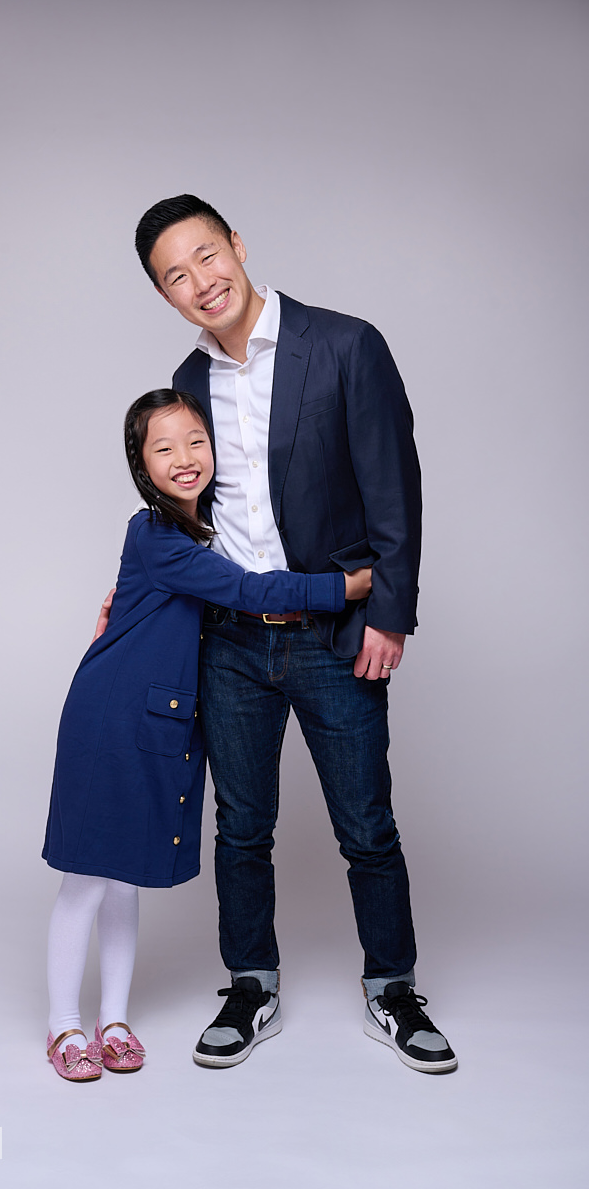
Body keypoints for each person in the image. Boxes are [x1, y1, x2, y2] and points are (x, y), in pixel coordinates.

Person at [123, 194, 458, 1074]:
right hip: (230, 642)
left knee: (366, 826)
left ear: (237, 244)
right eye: (176, 277)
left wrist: (389, 610)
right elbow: (182, 506)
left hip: (335, 632)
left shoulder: (346, 345)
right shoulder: (189, 382)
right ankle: (251, 982)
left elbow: (396, 488)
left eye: (206, 256)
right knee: (242, 827)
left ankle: (393, 987)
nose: (200, 282)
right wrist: (126, 597)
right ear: (166, 295)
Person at [42, 389, 371, 1082]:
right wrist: (345, 590)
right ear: (141, 465)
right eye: (163, 448)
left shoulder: (206, 529)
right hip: (111, 721)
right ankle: (64, 1027)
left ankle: (115, 1021)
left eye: (196, 440)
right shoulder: (156, 535)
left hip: (160, 723)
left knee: (125, 881)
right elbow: (251, 594)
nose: (184, 459)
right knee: (88, 881)